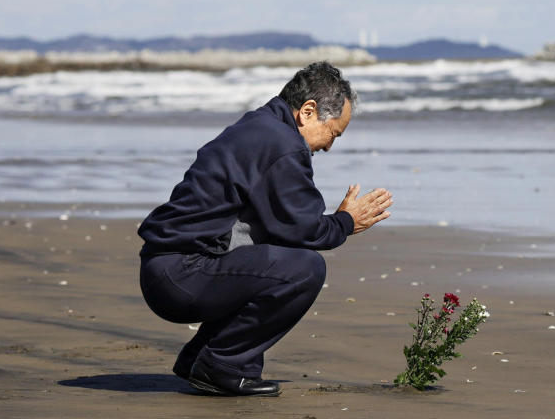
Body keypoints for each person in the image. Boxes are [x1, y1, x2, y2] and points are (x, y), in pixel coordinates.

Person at [137, 61, 392, 396]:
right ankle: (221, 366)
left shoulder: (262, 126)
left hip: (167, 269)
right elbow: (306, 230)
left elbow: (284, 229)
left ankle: (202, 359)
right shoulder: (281, 143)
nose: (329, 147)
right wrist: (346, 221)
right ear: (308, 111)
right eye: (333, 134)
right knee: (305, 268)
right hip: (180, 274)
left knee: (283, 256)